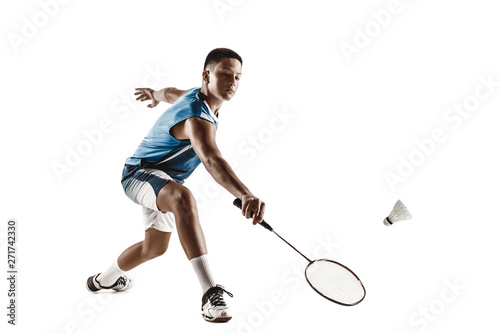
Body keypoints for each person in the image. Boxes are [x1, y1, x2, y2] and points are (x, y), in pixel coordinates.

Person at [85, 48, 265, 323]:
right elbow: (212, 159)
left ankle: (102, 281)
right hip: (139, 173)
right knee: (183, 198)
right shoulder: (197, 118)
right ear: (207, 75)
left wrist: (155, 94)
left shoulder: (195, 96)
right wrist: (245, 194)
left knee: (154, 248)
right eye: (225, 74)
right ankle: (210, 292)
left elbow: (171, 93)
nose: (233, 82)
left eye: (238, 77)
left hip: (163, 181)